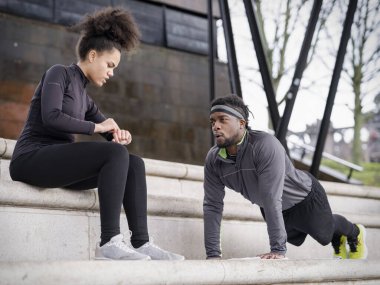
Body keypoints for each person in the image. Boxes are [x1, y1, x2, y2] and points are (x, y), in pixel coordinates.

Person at [9, 7, 184, 261]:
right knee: (115, 155)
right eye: (110, 65)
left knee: (133, 163)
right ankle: (109, 241)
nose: (112, 72)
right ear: (92, 55)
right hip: (31, 158)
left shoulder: (86, 99)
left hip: (58, 164)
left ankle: (142, 242)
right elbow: (52, 117)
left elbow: (110, 135)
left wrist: (117, 134)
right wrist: (97, 127)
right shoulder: (59, 74)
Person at [203, 94, 367, 260]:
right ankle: (337, 236)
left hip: (304, 197)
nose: (215, 126)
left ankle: (355, 232)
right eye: (212, 121)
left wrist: (277, 250)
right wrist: (213, 255)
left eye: (222, 120)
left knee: (324, 234)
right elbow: (212, 206)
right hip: (274, 207)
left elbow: (271, 197)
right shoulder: (214, 160)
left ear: (241, 123)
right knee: (294, 236)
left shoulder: (264, 145)